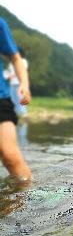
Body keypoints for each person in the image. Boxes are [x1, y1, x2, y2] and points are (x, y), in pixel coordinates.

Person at [0, 17, 32, 181]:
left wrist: (24, 85)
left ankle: (28, 200)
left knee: (10, 156)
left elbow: (15, 58)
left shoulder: (0, 24)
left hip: (1, 97)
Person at [3, 46, 28, 117]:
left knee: (20, 98)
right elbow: (9, 71)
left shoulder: (23, 61)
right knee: (13, 99)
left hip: (19, 83)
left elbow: (21, 71)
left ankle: (22, 113)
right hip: (12, 83)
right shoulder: (12, 63)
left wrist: (10, 76)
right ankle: (16, 113)